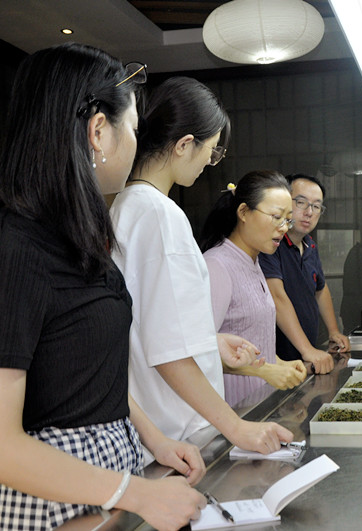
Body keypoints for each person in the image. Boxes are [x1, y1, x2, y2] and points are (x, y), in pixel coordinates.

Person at [0, 43, 206, 531]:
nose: (136, 144)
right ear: (98, 131)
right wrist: (136, 493)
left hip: (109, 482)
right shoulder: (10, 249)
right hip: (50, 502)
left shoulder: (78, 235)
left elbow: (91, 370)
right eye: (133, 129)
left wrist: (154, 441)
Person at [110, 77, 293, 456]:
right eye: (211, 152)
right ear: (184, 145)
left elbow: (146, 327)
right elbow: (168, 350)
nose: (210, 165)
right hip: (178, 431)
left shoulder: (124, 208)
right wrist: (236, 426)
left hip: (152, 427)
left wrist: (210, 345)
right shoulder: (161, 215)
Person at [201, 171, 307, 406]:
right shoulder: (217, 265)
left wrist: (279, 364)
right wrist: (264, 371)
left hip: (258, 406)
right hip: (232, 408)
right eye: (276, 216)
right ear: (243, 213)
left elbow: (250, 335)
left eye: (287, 219)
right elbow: (201, 350)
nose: (283, 227)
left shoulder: (253, 261)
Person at [258, 174, 350, 374]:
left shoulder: (310, 245)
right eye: (301, 202)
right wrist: (308, 350)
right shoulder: (271, 243)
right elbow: (277, 297)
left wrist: (333, 331)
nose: (309, 212)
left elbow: (321, 288)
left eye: (316, 206)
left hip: (306, 357)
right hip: (276, 361)